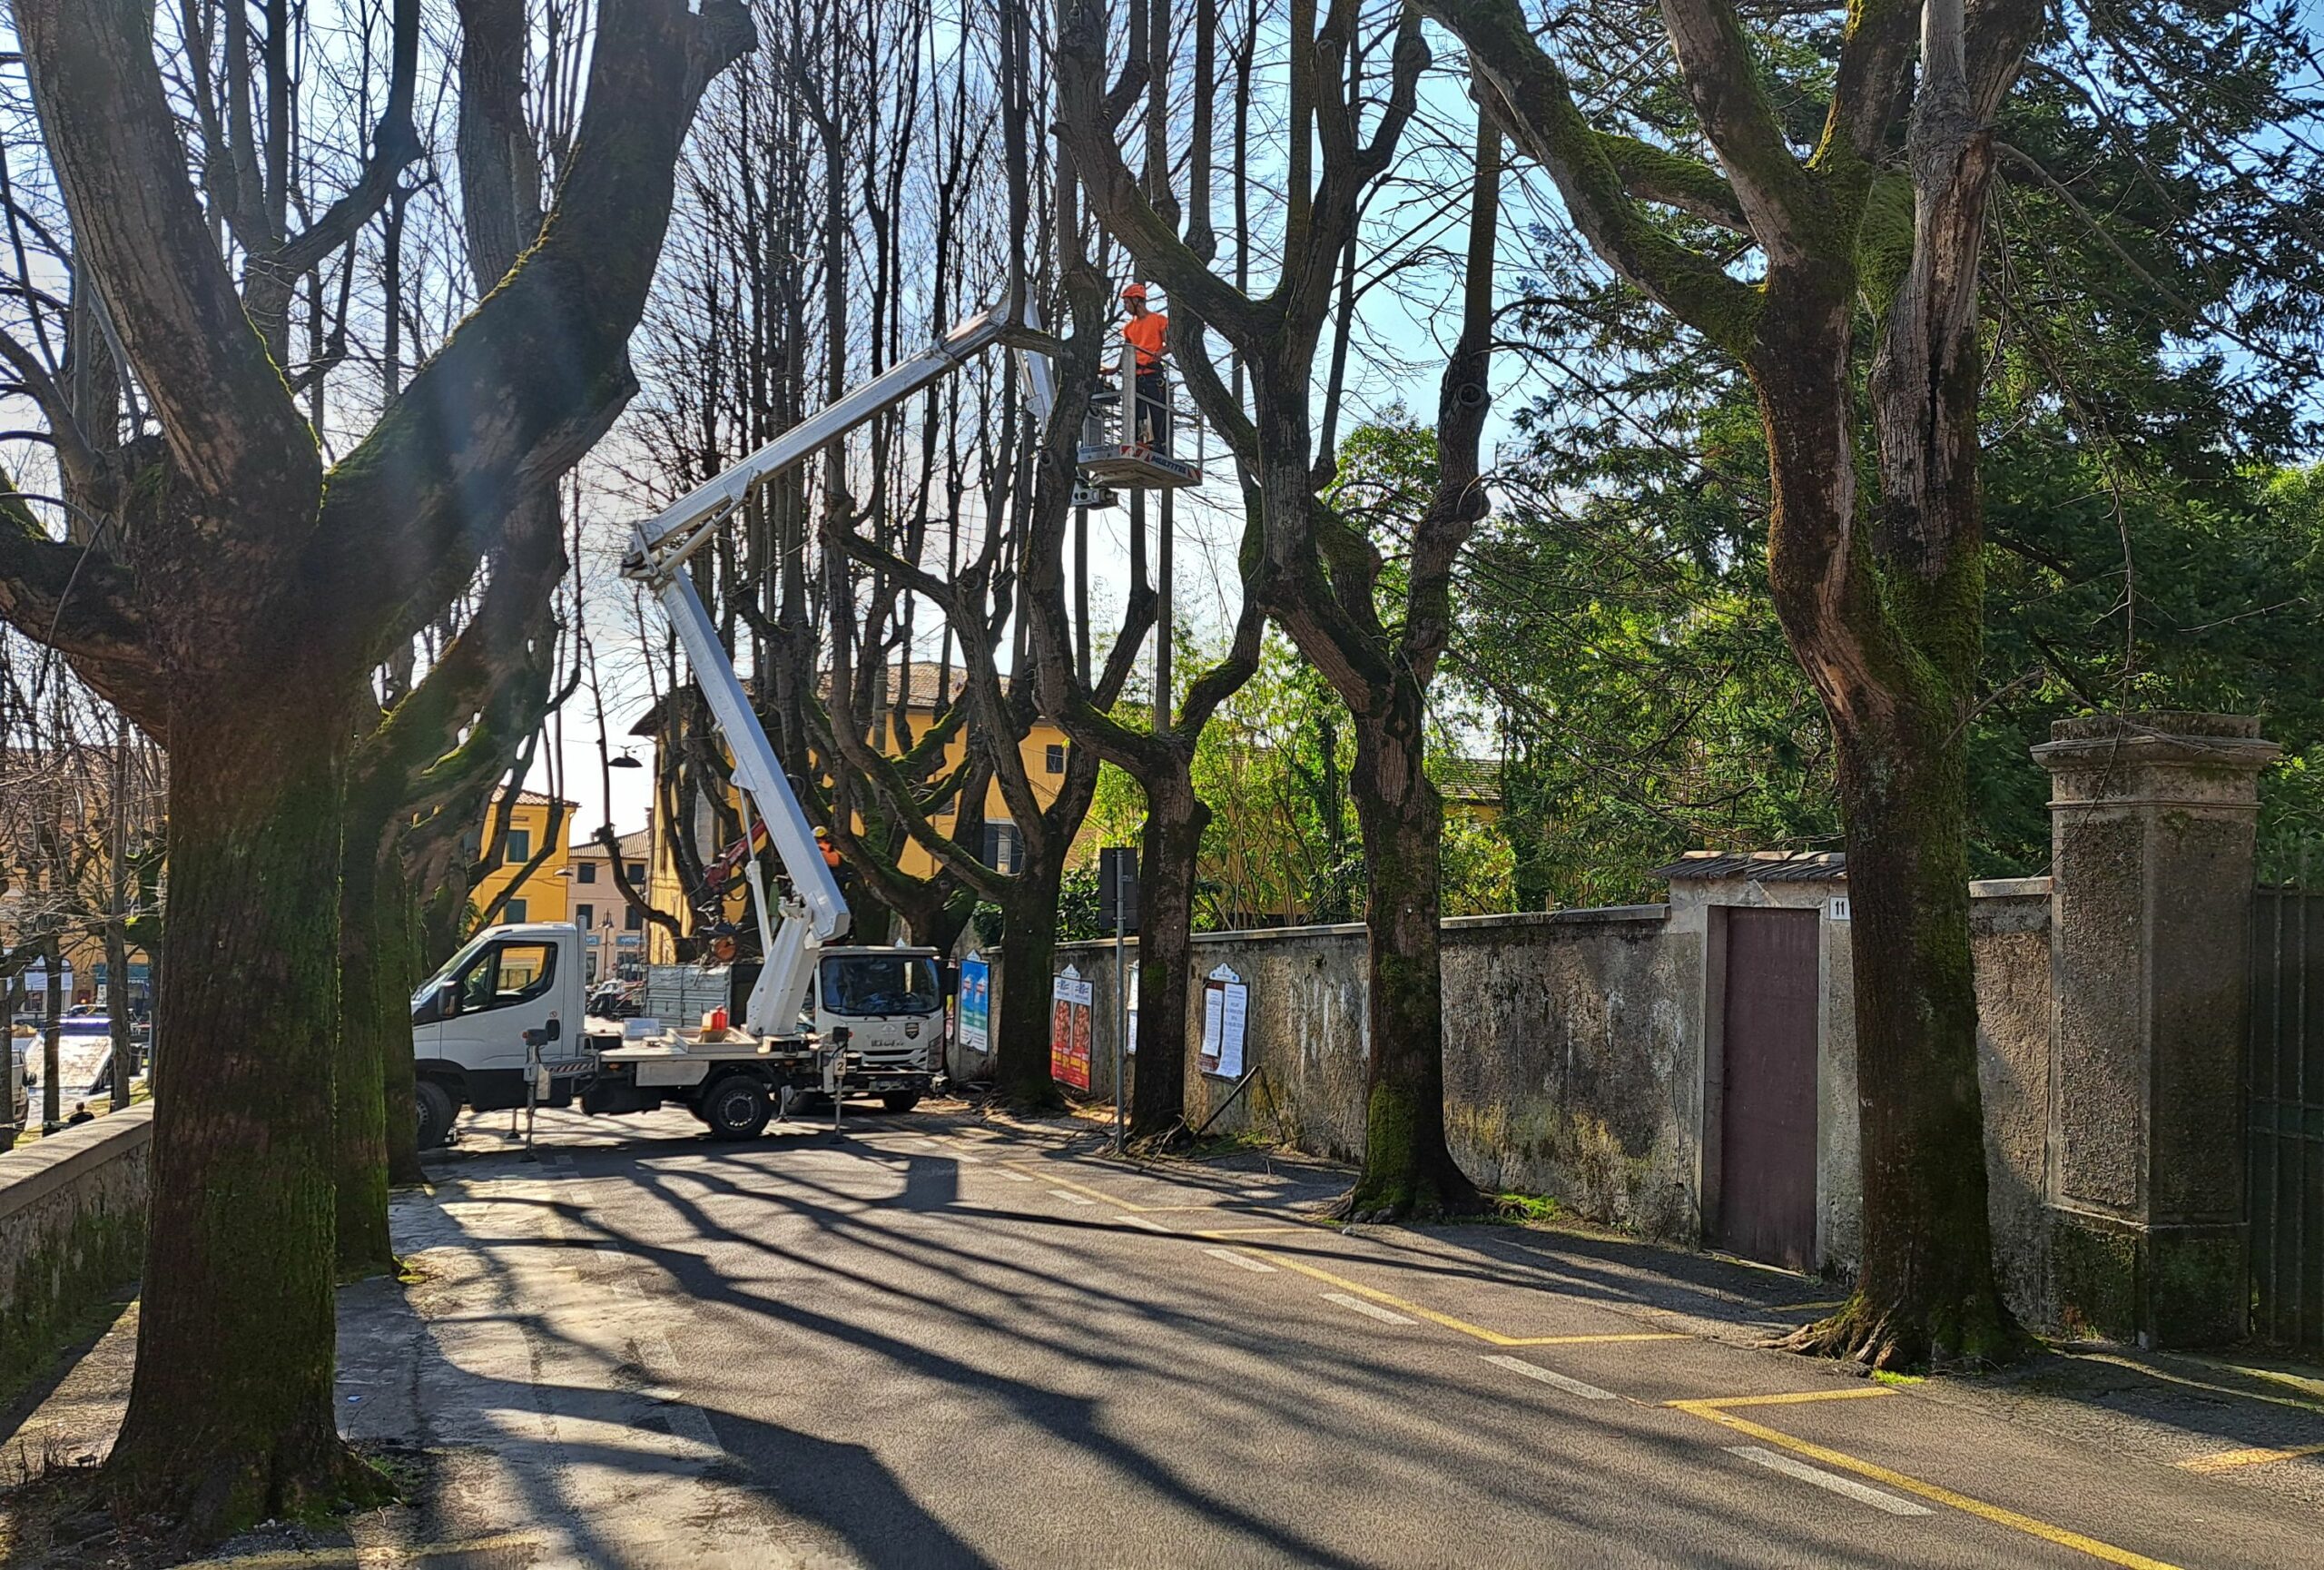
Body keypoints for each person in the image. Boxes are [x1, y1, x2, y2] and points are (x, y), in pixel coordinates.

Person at [1119, 283, 1170, 452]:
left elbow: (1170, 344)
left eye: (1127, 302)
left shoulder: (1158, 320)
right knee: (1132, 407)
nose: (1125, 307)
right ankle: (1132, 439)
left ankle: (1159, 443)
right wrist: (1115, 369)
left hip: (1152, 373)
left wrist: (1160, 352)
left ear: (1136, 300)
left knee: (1157, 409)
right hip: (1134, 373)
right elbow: (1126, 351)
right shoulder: (1128, 328)